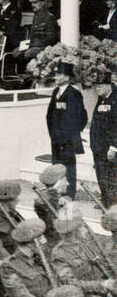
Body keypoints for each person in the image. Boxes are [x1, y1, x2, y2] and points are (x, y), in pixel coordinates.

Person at [45, 62, 87, 199]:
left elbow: (81, 117)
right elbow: (50, 115)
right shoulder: (56, 92)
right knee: (57, 170)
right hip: (56, 141)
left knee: (68, 172)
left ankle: (69, 198)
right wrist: (53, 135)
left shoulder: (74, 94)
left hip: (68, 141)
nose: (56, 77)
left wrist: (70, 136)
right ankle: (57, 197)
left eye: (59, 74)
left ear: (67, 78)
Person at [90, 70, 117, 206]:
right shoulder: (102, 99)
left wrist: (113, 147)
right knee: (101, 176)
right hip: (98, 146)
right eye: (96, 86)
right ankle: (105, 202)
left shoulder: (115, 99)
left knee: (110, 177)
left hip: (110, 148)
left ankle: (111, 206)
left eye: (100, 86)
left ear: (108, 85)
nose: (97, 88)